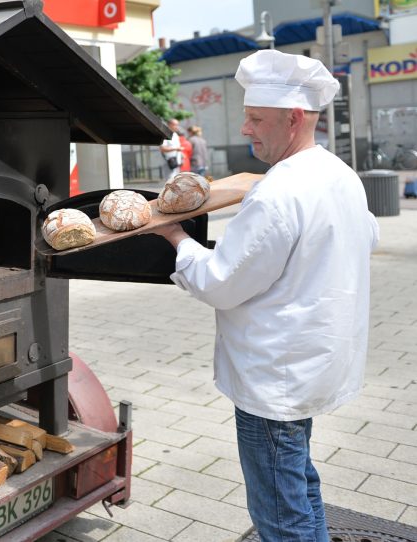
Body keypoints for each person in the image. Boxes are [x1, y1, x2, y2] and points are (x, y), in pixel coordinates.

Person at [151, 50, 379, 541]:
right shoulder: (338, 174)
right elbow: (369, 237)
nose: (247, 129)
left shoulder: (278, 193)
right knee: (298, 481)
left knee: (279, 510)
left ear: (294, 118)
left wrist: (174, 237)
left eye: (256, 119)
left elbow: (221, 282)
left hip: (275, 377)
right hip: (314, 361)